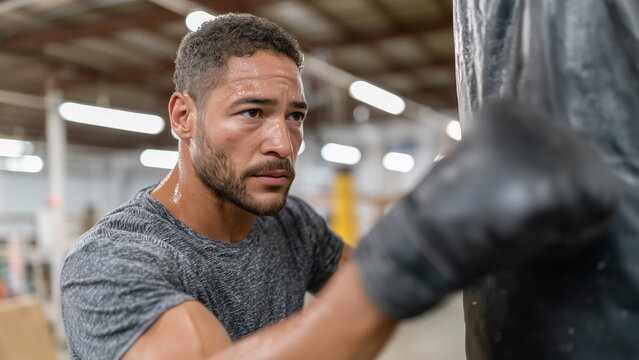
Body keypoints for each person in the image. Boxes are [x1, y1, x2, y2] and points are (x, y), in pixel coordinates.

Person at [61, 13, 618, 360]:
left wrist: (489, 228)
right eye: (252, 112)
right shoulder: (113, 261)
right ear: (183, 116)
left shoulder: (289, 223)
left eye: (296, 116)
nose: (283, 141)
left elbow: (360, 283)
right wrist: (420, 240)